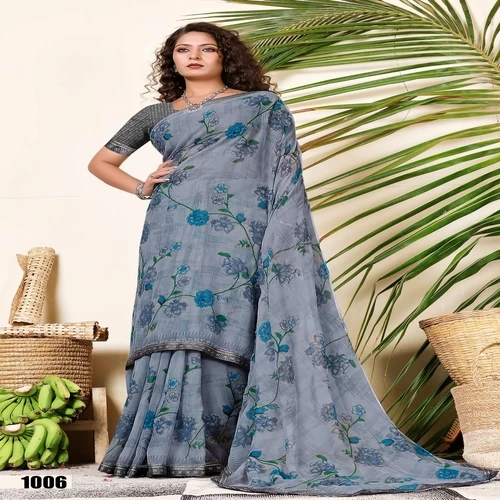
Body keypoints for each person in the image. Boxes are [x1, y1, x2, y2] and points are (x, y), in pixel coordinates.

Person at [88, 22, 496, 495]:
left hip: (241, 230)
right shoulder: (156, 113)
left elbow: (282, 174)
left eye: (207, 49)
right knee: (175, 323)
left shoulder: (261, 106)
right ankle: (171, 450)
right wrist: (142, 187)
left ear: (224, 57)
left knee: (232, 322)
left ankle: (229, 446)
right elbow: (101, 163)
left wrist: (278, 235)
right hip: (171, 230)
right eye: (183, 49)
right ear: (172, 59)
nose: (194, 56)